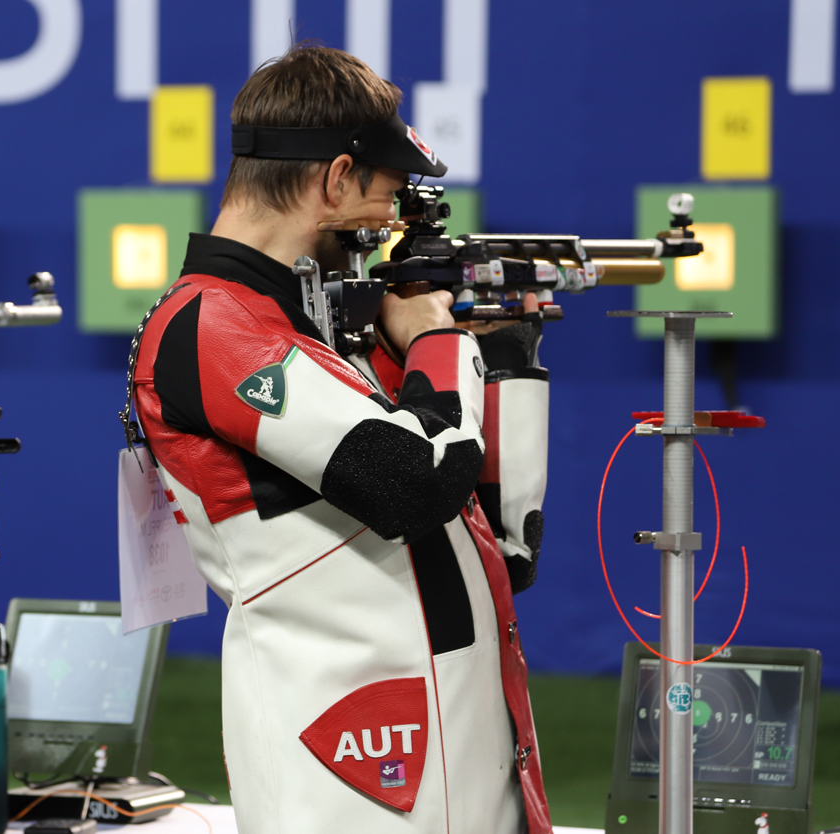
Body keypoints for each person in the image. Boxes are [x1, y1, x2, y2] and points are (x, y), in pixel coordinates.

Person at [129, 46, 551, 833]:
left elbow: (504, 548)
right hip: (351, 761)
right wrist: (436, 339)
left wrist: (507, 360)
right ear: (335, 179)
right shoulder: (210, 326)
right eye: (386, 201)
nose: (389, 226)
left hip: (451, 749)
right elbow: (412, 482)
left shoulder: (312, 333)